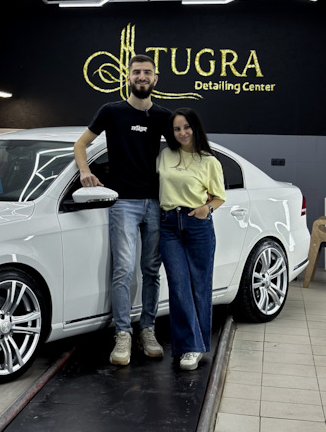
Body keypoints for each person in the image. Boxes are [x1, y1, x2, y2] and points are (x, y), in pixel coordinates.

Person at [74, 54, 171, 366]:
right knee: (124, 270)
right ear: (128, 77)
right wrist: (85, 171)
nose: (142, 76)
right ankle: (123, 333)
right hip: (123, 203)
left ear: (155, 79)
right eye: (137, 72)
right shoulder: (111, 111)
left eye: (147, 72)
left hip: (155, 202)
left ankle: (148, 329)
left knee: (151, 270)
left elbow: (183, 155)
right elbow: (80, 145)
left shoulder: (163, 117)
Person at [157, 108, 226, 371]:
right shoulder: (165, 155)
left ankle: (194, 347)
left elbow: (219, 197)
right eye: (177, 129)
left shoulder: (209, 161)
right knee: (178, 285)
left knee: (200, 286)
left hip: (197, 225)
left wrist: (205, 209)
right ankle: (188, 344)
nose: (182, 132)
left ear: (195, 128)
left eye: (186, 127)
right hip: (168, 225)